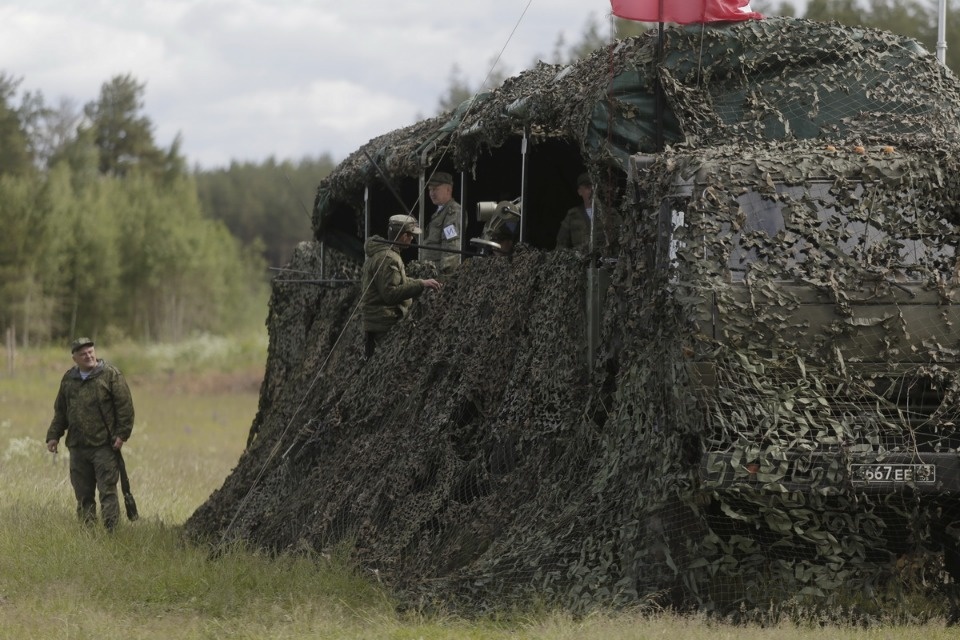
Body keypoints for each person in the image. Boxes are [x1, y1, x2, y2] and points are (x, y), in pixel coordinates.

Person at [46, 337, 135, 531]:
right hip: (77, 447)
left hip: (105, 446)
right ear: (75, 358)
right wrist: (54, 435)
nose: (88, 356)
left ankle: (112, 533)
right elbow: (61, 411)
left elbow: (125, 408)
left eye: (90, 351)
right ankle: (88, 533)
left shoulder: (111, 375)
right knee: (83, 495)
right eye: (83, 354)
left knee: (107, 492)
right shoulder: (69, 379)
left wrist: (122, 435)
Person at [361, 215, 443, 357]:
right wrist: (421, 284)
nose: (412, 239)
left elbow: (397, 280)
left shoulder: (381, 254)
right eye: (411, 235)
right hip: (385, 323)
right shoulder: (389, 259)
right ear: (404, 235)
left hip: (377, 321)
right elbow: (390, 294)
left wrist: (420, 282)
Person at [422, 171, 463, 272]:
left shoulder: (453, 211)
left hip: (438, 273)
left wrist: (444, 274)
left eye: (435, 189)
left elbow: (451, 246)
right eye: (430, 189)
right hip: (429, 270)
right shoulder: (439, 212)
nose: (431, 193)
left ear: (448, 190)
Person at [556, 172, 597, 252]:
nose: (591, 191)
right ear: (580, 192)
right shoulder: (573, 215)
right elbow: (561, 244)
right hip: (580, 261)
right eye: (587, 187)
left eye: (594, 187)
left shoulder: (610, 213)